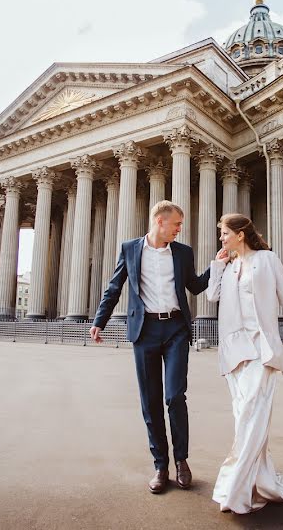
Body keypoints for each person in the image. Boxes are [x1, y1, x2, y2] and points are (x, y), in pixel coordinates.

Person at [205, 213, 283, 514]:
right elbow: (211, 296)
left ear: (240, 233)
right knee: (245, 420)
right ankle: (258, 479)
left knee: (252, 414)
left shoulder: (268, 259)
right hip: (235, 350)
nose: (222, 239)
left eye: (224, 233)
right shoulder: (229, 265)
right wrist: (217, 264)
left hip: (261, 349)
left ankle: (234, 487)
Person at [90, 200, 211, 494]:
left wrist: (217, 265)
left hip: (176, 330)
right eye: (176, 225)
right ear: (160, 221)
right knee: (151, 401)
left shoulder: (183, 252)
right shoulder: (130, 248)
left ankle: (181, 460)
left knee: (175, 396)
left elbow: (194, 286)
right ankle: (161, 465)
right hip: (144, 331)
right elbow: (114, 286)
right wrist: (100, 321)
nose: (179, 230)